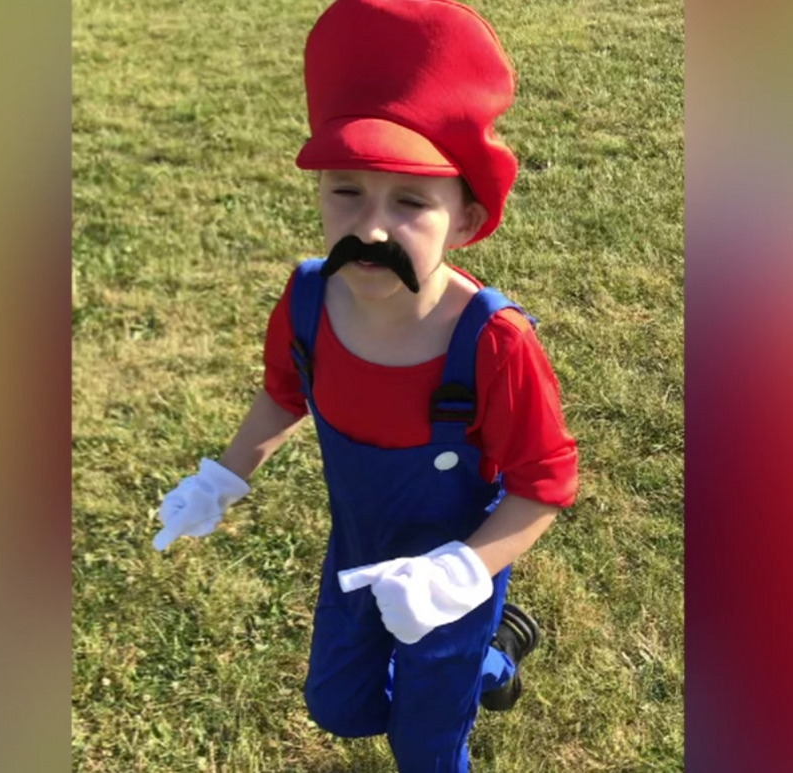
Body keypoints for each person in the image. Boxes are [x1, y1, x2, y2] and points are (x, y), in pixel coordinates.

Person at [152, 1, 578, 770]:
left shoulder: (492, 342)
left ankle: (478, 646)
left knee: (425, 744)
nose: (371, 228)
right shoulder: (310, 301)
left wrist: (459, 575)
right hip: (357, 548)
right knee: (339, 705)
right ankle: (496, 654)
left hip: (456, 571)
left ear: (469, 219)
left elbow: (544, 483)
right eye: (346, 191)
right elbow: (287, 391)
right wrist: (220, 478)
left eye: (411, 202)